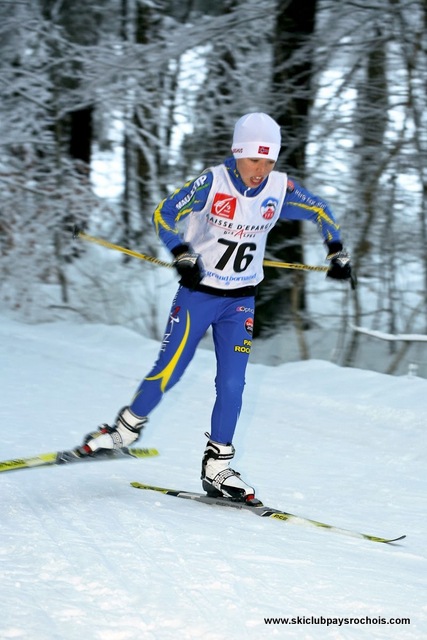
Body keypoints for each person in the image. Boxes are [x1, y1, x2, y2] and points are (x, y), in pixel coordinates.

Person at [77, 112, 352, 502]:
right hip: (199, 296)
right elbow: (164, 213)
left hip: (240, 301)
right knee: (169, 370)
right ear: (238, 153)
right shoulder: (213, 182)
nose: (261, 169)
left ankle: (217, 467)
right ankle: (121, 432)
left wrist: (336, 249)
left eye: (269, 160)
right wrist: (181, 253)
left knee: (233, 385)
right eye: (254, 159)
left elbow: (320, 209)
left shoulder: (279, 187)